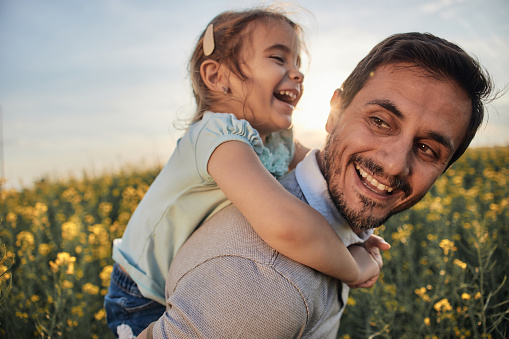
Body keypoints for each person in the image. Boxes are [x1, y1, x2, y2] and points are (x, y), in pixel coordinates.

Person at [138, 32, 494, 338]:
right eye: (380, 121)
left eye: (428, 149)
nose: (394, 163)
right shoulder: (266, 285)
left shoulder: (292, 170)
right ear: (333, 112)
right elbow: (287, 236)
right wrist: (354, 268)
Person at [105, 8, 381, 338]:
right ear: (216, 77)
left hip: (196, 274)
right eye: (279, 59)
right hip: (142, 294)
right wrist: (352, 266)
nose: (297, 75)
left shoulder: (278, 141)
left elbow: (329, 176)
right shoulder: (217, 137)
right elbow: (287, 226)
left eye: (298, 65)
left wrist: (355, 233)